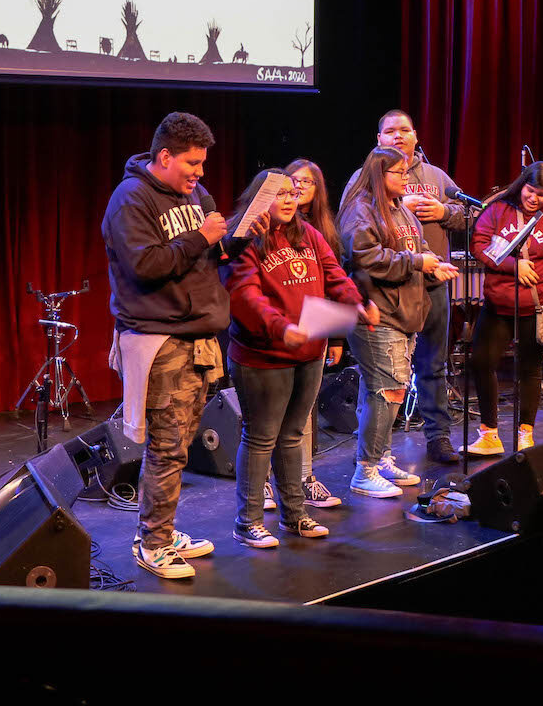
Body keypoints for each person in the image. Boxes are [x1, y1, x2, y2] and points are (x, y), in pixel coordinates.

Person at [103, 111, 232, 579]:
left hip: (197, 335)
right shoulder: (130, 199)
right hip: (161, 340)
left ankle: (162, 529)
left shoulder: (195, 195)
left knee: (180, 445)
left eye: (202, 164)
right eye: (192, 163)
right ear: (164, 156)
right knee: (167, 446)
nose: (200, 173)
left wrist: (232, 240)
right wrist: (201, 236)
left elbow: (210, 256)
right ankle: (152, 543)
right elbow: (146, 266)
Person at [224, 169, 369, 548]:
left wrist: (356, 302)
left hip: (309, 352)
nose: (289, 200)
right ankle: (248, 521)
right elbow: (245, 295)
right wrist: (280, 327)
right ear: (259, 199)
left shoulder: (309, 234)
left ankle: (294, 515)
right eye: (278, 194)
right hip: (263, 355)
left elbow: (335, 274)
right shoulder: (245, 240)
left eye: (292, 193)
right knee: (260, 437)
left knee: (292, 436)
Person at [342, 110, 470, 462]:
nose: (398, 136)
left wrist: (444, 212)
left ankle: (437, 436)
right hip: (390, 291)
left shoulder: (436, 176)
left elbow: (470, 215)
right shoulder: (364, 181)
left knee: (433, 363)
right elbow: (355, 245)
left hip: (432, 282)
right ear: (379, 140)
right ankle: (375, 453)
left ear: (416, 137)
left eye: (404, 130)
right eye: (389, 131)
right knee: (385, 377)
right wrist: (397, 206)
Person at [466, 162, 543, 455]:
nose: (534, 199)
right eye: (530, 191)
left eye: (542, 195)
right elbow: (479, 245)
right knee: (482, 362)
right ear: (522, 185)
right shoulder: (498, 210)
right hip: (499, 304)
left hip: (539, 307)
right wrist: (512, 266)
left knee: (530, 370)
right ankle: (489, 434)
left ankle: (525, 434)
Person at [267, 157, 349, 511]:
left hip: (313, 334)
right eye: (291, 183)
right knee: (270, 416)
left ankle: (303, 476)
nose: (298, 189)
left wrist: (335, 336)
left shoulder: (322, 232)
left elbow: (332, 287)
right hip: (275, 333)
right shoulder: (268, 228)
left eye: (306, 183)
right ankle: (268, 483)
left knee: (303, 414)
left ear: (318, 190)